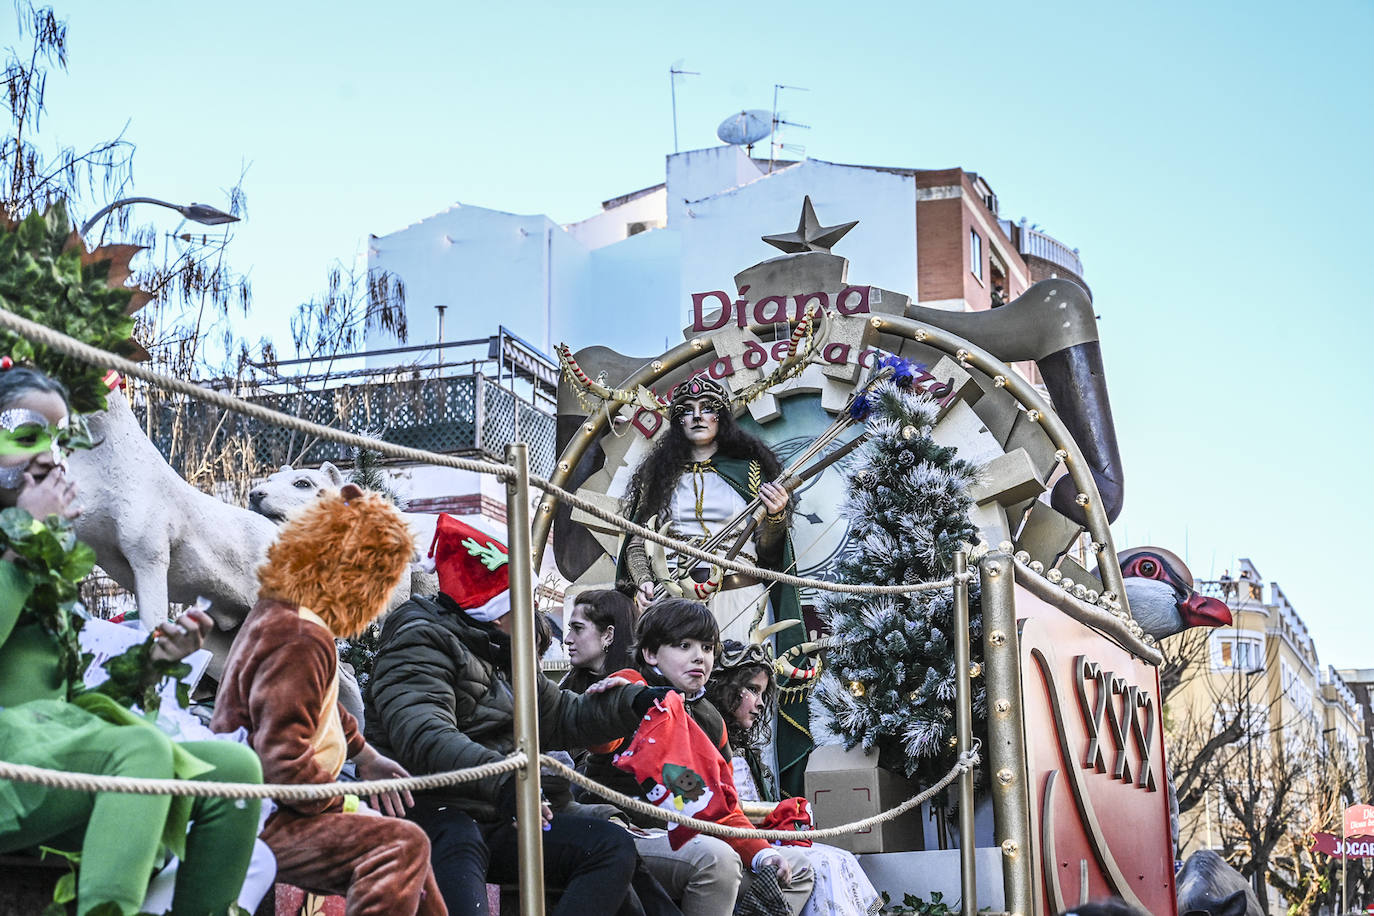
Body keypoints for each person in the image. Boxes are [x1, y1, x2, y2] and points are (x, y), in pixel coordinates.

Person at [0, 365, 263, 916]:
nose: (52, 457)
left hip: (48, 750)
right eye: (28, 435)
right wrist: (22, 544)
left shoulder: (47, 559)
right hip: (12, 766)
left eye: (61, 436)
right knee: (140, 750)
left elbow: (68, 697)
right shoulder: (25, 549)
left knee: (237, 773)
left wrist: (149, 664)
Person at [364, 513, 670, 916]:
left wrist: (632, 703)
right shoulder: (419, 639)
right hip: (430, 807)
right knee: (458, 840)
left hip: (496, 806)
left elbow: (561, 715)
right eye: (523, 599)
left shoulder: (503, 647)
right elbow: (425, 737)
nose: (534, 610)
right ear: (494, 605)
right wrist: (509, 783)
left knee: (609, 845)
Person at [212, 482, 445, 915]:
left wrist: (363, 753)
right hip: (259, 816)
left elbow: (314, 701)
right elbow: (282, 765)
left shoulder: (286, 613)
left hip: (267, 806)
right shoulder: (301, 635)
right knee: (399, 845)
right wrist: (347, 802)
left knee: (411, 849)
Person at [616, 375, 811, 795]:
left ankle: (750, 797)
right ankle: (687, 792)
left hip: (742, 597)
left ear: (722, 416)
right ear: (676, 421)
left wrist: (776, 517)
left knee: (742, 697)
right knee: (679, 695)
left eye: (707, 407)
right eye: (686, 410)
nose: (698, 416)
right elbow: (637, 541)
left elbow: (770, 550)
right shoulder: (657, 475)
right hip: (677, 601)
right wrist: (647, 582)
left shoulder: (752, 471)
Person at [584, 598, 815, 916]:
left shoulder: (711, 720)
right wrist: (616, 704)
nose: (699, 657)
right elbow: (600, 742)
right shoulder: (633, 687)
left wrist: (762, 854)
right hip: (621, 832)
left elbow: (723, 807)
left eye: (707, 648)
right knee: (717, 859)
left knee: (798, 866)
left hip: (689, 839)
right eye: (683, 645)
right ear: (651, 653)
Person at [706, 640, 881, 916]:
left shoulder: (743, 750)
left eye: (763, 693)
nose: (761, 703)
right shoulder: (707, 740)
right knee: (821, 866)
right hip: (726, 841)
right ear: (725, 688)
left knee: (841, 858)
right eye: (752, 690)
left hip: (756, 837)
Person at [560, 587, 636, 695]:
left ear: (608, 635)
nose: (567, 640)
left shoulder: (636, 688)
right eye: (570, 629)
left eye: (578, 628)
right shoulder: (568, 685)